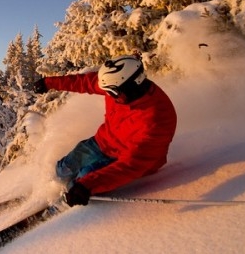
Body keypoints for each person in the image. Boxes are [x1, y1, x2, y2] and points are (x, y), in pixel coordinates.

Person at [33, 55, 177, 207]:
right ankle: (53, 191)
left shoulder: (157, 119)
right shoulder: (117, 84)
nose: (107, 95)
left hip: (122, 159)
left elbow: (131, 165)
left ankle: (64, 204)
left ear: (131, 88)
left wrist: (86, 186)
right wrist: (49, 83)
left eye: (111, 92)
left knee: (82, 180)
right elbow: (84, 82)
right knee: (64, 168)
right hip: (103, 141)